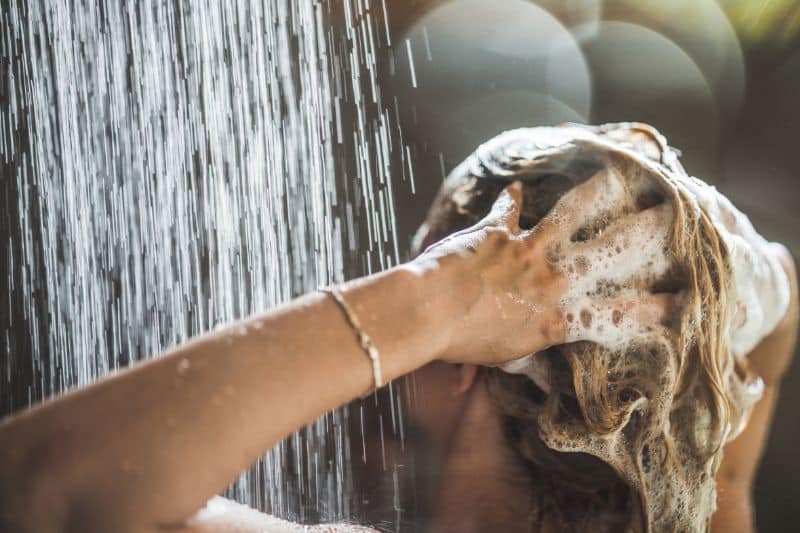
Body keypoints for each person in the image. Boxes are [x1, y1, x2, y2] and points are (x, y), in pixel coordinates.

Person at [0, 124, 796, 533]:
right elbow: (779, 315)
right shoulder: (713, 513)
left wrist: (429, 299)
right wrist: (713, 268)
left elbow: (38, 485)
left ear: (463, 356)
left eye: (447, 267)